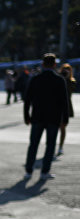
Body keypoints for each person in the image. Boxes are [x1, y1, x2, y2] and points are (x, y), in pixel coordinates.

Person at [23, 53, 70, 181]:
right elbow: (64, 101)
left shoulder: (35, 79)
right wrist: (65, 118)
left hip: (37, 117)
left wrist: (26, 115)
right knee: (50, 145)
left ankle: (28, 171)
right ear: (55, 65)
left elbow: (27, 99)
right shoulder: (60, 80)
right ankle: (44, 172)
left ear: (42, 64)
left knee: (33, 144)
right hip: (53, 118)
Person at [58, 63, 75, 156]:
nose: (66, 71)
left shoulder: (72, 81)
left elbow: (70, 90)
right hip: (56, 106)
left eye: (68, 69)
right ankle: (52, 145)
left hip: (66, 107)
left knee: (63, 127)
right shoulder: (57, 79)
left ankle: (60, 146)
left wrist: (67, 78)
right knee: (54, 127)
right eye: (64, 69)